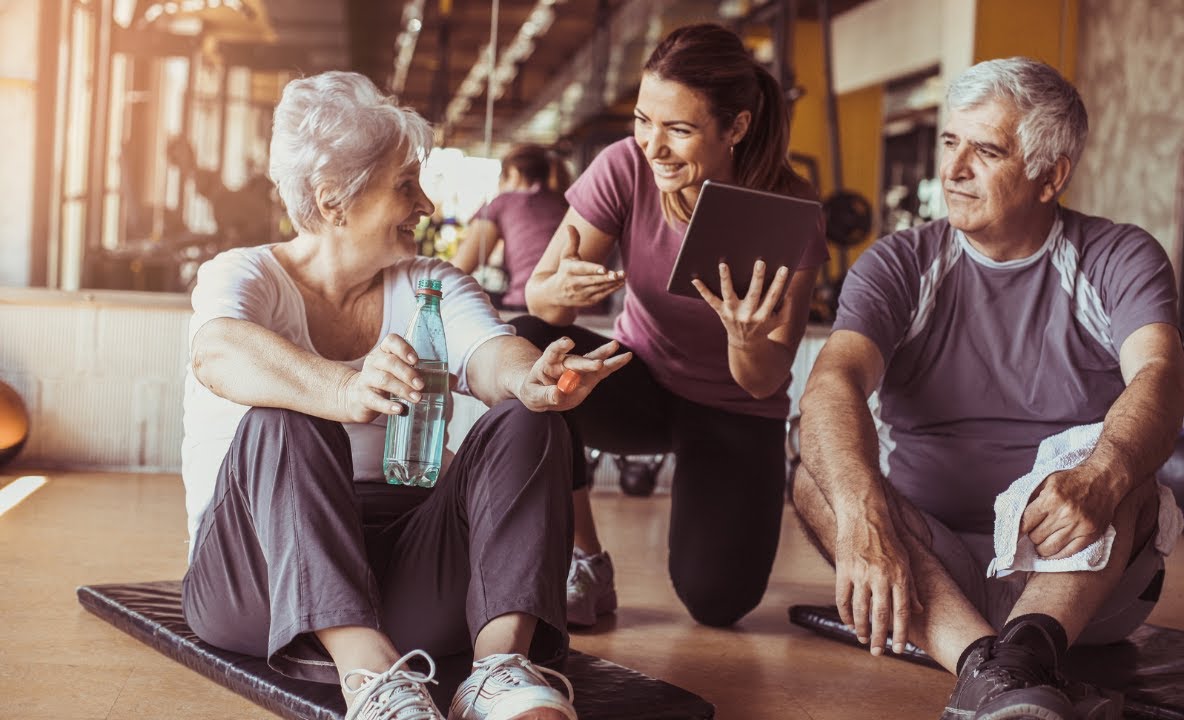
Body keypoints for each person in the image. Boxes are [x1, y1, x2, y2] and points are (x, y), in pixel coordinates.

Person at [180, 70, 631, 720]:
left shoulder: (430, 283)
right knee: (283, 417)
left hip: (407, 567)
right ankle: (369, 678)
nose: (425, 206)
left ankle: (498, 672)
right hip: (256, 581)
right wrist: (341, 387)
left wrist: (532, 377)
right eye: (404, 186)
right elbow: (218, 353)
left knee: (527, 419)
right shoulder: (243, 274)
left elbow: (490, 354)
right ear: (334, 200)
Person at [791, 57, 1184, 719]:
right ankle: (994, 669)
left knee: (1121, 464)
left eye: (986, 150)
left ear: (1050, 174)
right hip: (930, 572)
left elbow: (1160, 378)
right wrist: (862, 519)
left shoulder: (1116, 256)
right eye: (950, 142)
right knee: (816, 476)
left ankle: (1027, 647)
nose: (953, 169)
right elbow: (832, 384)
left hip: (1076, 572)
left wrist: (1106, 474)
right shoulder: (900, 263)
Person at [517, 23, 829, 629]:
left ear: (734, 128)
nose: (652, 146)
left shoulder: (789, 210)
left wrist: (743, 338)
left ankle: (709, 500)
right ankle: (586, 561)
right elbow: (540, 307)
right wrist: (560, 291)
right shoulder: (624, 168)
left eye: (679, 130)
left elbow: (764, 380)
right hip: (641, 385)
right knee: (526, 342)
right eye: (643, 120)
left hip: (735, 410)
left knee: (718, 603)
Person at [452, 145, 572, 311]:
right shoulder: (566, 204)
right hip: (581, 307)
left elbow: (459, 269)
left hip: (529, 305)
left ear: (514, 173)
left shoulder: (504, 202)